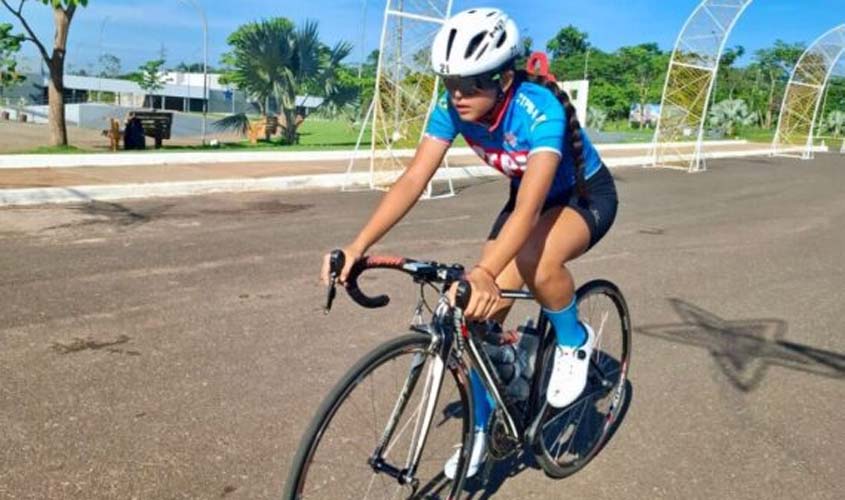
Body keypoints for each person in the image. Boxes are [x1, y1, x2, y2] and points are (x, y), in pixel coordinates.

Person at [321, 7, 618, 479]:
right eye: (450, 83)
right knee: (473, 322)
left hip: (583, 196)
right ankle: (484, 429)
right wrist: (358, 245)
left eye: (471, 83)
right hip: (529, 197)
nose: (458, 96)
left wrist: (483, 271)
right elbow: (414, 178)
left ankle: (572, 340)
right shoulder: (452, 110)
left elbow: (527, 212)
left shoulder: (536, 109)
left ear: (502, 79)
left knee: (534, 262)